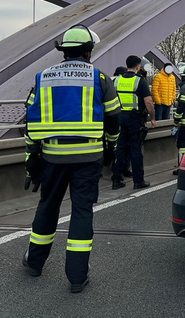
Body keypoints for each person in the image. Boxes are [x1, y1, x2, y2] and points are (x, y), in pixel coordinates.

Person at [22, 24, 121, 293]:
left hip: (53, 156)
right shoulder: (99, 78)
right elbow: (113, 117)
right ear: (89, 51)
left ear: (63, 51)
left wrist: (32, 156)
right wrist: (111, 147)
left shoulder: (43, 77)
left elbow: (31, 122)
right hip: (89, 158)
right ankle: (77, 277)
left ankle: (34, 263)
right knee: (81, 211)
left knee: (48, 207)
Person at [111, 55, 156, 190]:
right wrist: (152, 117)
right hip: (135, 119)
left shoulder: (117, 80)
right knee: (135, 149)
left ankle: (117, 179)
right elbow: (148, 102)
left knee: (120, 149)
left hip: (119, 118)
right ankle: (138, 181)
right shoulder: (139, 81)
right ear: (138, 66)